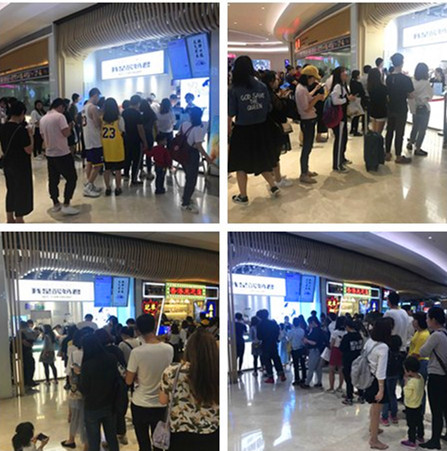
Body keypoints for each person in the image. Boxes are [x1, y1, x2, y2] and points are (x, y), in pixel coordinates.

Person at [228, 56, 279, 205]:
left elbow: (231, 112)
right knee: (261, 160)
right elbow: (268, 107)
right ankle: (273, 186)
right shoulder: (261, 86)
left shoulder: (234, 89)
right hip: (261, 129)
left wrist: (228, 131)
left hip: (242, 130)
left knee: (240, 164)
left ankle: (243, 196)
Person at [159, 328, 219, 450]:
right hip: (211, 432)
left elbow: (163, 400)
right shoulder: (217, 371)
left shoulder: (172, 372)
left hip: (179, 433)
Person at [125, 314, 173, 451]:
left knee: (143, 443)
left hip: (140, 403)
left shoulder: (136, 352)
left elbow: (128, 380)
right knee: (159, 443)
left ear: (138, 330)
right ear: (155, 326)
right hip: (161, 403)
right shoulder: (169, 349)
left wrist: (136, 376)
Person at [77, 334, 120, 451]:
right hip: (110, 403)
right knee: (112, 437)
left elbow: (84, 389)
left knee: (94, 441)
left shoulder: (87, 365)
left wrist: (78, 375)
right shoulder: (111, 358)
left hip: (92, 406)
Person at [39, 98, 79, 215]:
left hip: (50, 153)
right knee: (72, 178)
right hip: (62, 152)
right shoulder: (60, 117)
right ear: (61, 106)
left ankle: (55, 203)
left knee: (53, 180)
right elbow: (66, 133)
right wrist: (70, 126)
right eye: (64, 108)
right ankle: (66, 203)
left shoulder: (43, 119)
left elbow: (42, 136)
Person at [0, 101, 34, 222]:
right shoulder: (21, 130)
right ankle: (19, 219)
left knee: (11, 190)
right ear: (22, 113)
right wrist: (30, 135)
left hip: (7, 164)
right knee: (21, 190)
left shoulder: (3, 127)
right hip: (20, 165)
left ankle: (9, 218)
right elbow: (29, 150)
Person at [419, 307, 447, 449]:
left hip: (436, 376)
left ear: (433, 320)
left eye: (428, 318)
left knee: (436, 410)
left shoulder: (436, 335)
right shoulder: (445, 333)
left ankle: (435, 440)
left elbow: (423, 351)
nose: (426, 320)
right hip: (445, 376)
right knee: (445, 408)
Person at [363, 317, 392, 450]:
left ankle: (372, 428)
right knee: (376, 412)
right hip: (376, 380)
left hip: (368, 377)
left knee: (373, 408)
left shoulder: (370, 341)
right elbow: (381, 370)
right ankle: (374, 440)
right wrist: (381, 389)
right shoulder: (383, 347)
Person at [178, 106, 212, 213]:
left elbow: (179, 135)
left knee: (188, 177)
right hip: (192, 154)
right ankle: (185, 204)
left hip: (182, 153)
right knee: (192, 180)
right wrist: (207, 157)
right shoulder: (198, 128)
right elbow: (198, 145)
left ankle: (186, 197)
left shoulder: (184, 124)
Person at [62, 328, 92, 450]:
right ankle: (87, 444)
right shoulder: (93, 354)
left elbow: (69, 373)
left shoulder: (74, 354)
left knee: (75, 416)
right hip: (90, 390)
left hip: (76, 390)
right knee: (88, 418)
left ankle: (71, 439)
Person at [295, 66, 325, 184]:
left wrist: (315, 93)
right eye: (313, 78)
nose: (314, 81)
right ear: (308, 77)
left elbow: (307, 98)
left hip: (309, 120)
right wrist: (317, 98)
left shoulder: (302, 88)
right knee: (306, 148)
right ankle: (303, 173)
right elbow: (306, 108)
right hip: (307, 121)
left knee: (308, 147)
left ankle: (305, 170)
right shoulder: (301, 89)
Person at [385, 53, 414, 164]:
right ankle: (398, 156)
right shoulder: (406, 79)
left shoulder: (388, 78)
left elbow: (387, 94)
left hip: (391, 107)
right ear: (402, 63)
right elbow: (411, 95)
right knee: (399, 132)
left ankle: (387, 153)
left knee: (389, 131)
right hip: (401, 108)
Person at [330, 66, 357, 173]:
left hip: (342, 116)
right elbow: (335, 101)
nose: (346, 74)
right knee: (339, 140)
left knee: (343, 138)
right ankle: (337, 165)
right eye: (343, 73)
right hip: (339, 117)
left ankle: (341, 158)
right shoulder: (337, 86)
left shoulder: (343, 85)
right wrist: (347, 99)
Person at [407, 62, 433, 157]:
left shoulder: (412, 81)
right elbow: (430, 96)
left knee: (415, 126)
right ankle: (418, 148)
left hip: (414, 108)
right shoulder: (426, 83)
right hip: (423, 108)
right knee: (422, 129)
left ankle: (410, 143)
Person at [101, 97, 126, 196]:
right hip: (117, 148)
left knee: (106, 169)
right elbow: (123, 130)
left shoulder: (101, 119)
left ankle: (107, 188)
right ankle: (118, 188)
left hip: (105, 148)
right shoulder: (119, 119)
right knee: (118, 170)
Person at [81, 88, 103, 197]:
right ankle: (89, 186)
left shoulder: (84, 107)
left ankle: (89, 183)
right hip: (95, 140)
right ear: (95, 95)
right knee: (98, 165)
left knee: (89, 162)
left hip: (87, 139)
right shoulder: (93, 108)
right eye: (98, 97)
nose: (98, 99)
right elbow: (97, 124)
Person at [122, 94, 149, 185]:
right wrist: (144, 141)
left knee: (127, 157)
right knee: (136, 160)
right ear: (138, 103)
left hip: (126, 138)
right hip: (136, 139)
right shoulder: (137, 114)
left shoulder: (124, 112)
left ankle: (126, 175)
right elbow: (140, 129)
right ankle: (134, 179)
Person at [401, 356, 425, 448]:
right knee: (419, 421)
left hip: (411, 406)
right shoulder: (421, 377)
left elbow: (407, 395)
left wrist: (405, 383)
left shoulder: (411, 382)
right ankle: (420, 436)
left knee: (411, 424)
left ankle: (411, 440)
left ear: (409, 371)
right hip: (419, 404)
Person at [380, 332, 403, 427]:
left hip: (387, 375)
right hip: (395, 375)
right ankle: (394, 415)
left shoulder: (388, 354)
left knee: (385, 396)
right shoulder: (400, 355)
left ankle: (384, 417)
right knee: (393, 395)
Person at [257, 309, 286, 383]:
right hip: (273, 343)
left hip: (265, 344)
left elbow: (259, 336)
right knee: (276, 358)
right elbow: (277, 332)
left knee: (267, 361)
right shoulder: (273, 323)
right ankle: (281, 374)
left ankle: (270, 377)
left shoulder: (260, 325)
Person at [409, 311, 430, 414]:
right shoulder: (418, 332)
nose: (413, 322)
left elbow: (417, 354)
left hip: (421, 363)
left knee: (420, 388)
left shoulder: (424, 335)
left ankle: (420, 411)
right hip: (416, 362)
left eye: (415, 320)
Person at [340, 319, 363, 405]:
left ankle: (349, 397)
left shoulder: (347, 337)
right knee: (358, 377)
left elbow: (342, 348)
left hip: (348, 360)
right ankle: (361, 396)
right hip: (358, 359)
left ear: (347, 327)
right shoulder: (359, 335)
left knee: (348, 379)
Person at [301, 316, 326, 389]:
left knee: (311, 367)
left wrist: (307, 340)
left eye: (309, 323)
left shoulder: (315, 331)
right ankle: (319, 382)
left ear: (313, 322)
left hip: (314, 350)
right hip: (320, 350)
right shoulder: (320, 330)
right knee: (318, 368)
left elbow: (314, 342)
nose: (309, 325)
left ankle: (307, 383)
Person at [327, 316, 347, 393]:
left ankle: (331, 387)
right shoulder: (346, 332)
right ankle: (340, 387)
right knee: (341, 370)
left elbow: (331, 344)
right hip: (343, 351)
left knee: (331, 370)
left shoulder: (335, 332)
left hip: (335, 351)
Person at [139, 98, 157, 180]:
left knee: (141, 154)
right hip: (149, 135)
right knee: (149, 154)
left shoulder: (140, 114)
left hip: (140, 135)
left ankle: (141, 171)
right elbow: (155, 125)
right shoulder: (152, 113)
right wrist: (157, 134)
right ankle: (149, 172)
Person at [367, 68, 388, 134]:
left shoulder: (370, 87)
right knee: (378, 133)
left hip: (373, 110)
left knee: (374, 132)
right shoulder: (383, 88)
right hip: (381, 111)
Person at [289, 317, 306, 385]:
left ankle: (297, 379)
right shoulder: (302, 330)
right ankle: (304, 377)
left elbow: (289, 338)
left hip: (294, 349)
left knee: (296, 365)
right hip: (301, 348)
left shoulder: (291, 331)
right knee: (302, 364)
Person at [349, 70, 366, 136]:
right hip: (358, 100)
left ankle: (352, 129)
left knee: (354, 115)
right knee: (357, 115)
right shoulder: (358, 84)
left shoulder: (351, 82)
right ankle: (355, 130)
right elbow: (362, 92)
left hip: (353, 99)